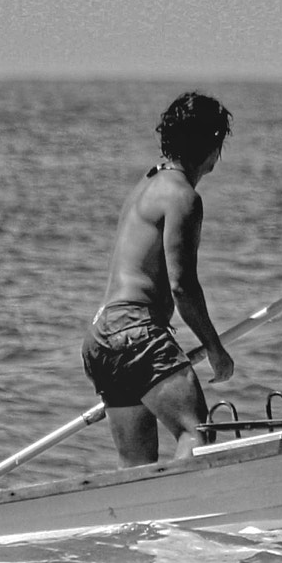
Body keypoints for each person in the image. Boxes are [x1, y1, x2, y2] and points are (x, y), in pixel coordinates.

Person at [81, 92, 237, 465]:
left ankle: (142, 526)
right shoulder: (183, 196)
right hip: (136, 332)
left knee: (138, 470)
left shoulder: (147, 184)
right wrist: (216, 351)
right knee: (196, 432)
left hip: (102, 337)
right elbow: (183, 288)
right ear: (213, 147)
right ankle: (192, 520)